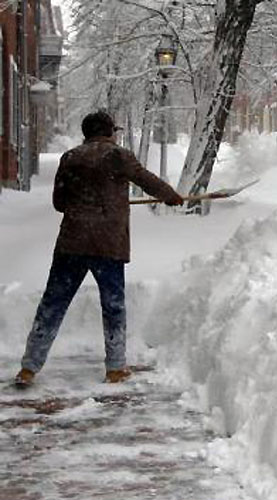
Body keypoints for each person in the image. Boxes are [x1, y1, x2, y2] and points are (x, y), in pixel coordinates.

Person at [14, 111, 184, 388]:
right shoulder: (117, 156)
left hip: (72, 243)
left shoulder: (69, 158)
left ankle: (29, 367)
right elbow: (146, 179)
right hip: (107, 243)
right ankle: (115, 368)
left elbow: (59, 202)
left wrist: (83, 203)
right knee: (113, 305)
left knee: (53, 303)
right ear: (109, 132)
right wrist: (171, 196)